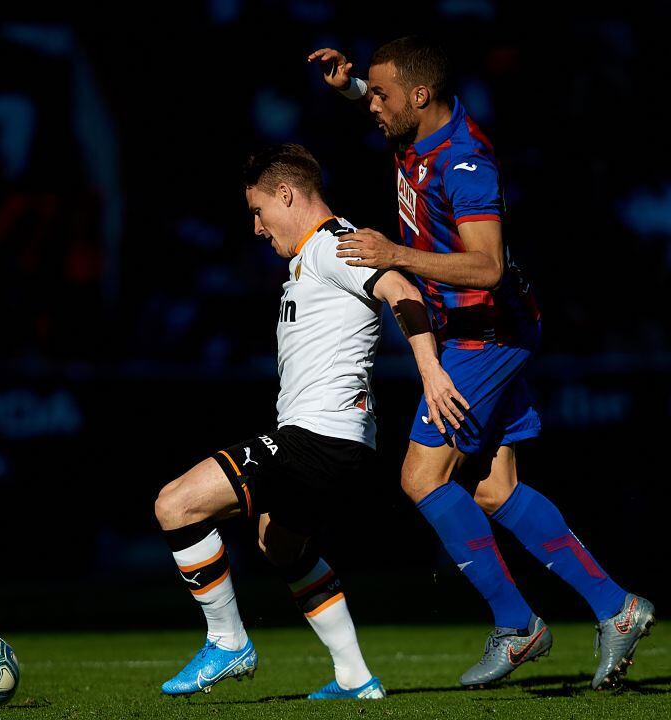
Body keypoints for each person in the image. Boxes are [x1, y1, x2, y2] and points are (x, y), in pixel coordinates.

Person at [308, 36, 655, 691]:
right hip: (481, 328)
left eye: (380, 95)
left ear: (419, 96)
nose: (371, 107)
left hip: (484, 332)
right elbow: (385, 108)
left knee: (420, 475)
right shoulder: (418, 132)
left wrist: (395, 254)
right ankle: (618, 608)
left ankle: (518, 625)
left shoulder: (465, 161)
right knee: (494, 489)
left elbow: (489, 266)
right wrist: (351, 88)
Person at [154, 143, 467, 699]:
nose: (256, 226)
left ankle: (227, 641)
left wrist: (430, 371)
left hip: (318, 439)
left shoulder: (331, 246)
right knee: (279, 544)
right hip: (337, 443)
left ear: (287, 194)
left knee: (175, 504)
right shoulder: (313, 256)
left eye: (258, 211)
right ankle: (355, 677)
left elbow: (400, 288)